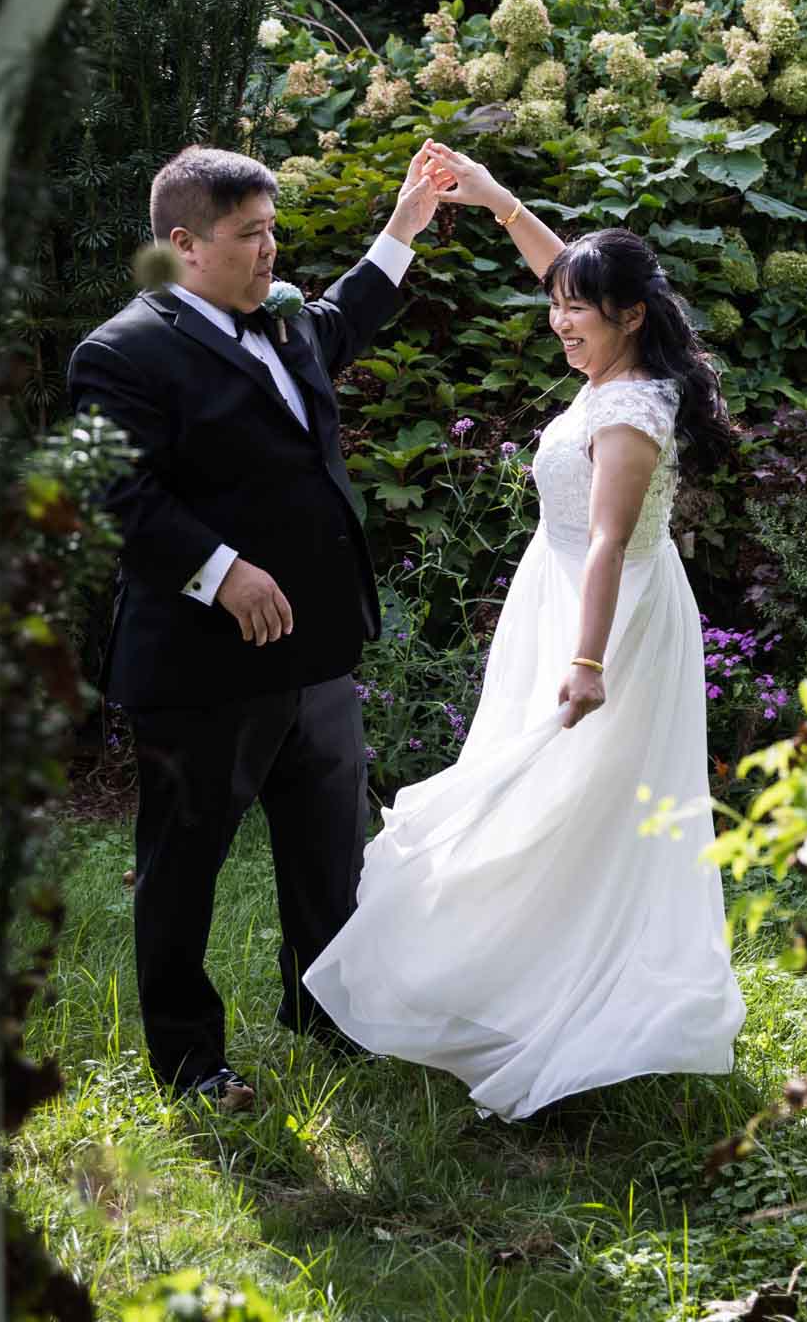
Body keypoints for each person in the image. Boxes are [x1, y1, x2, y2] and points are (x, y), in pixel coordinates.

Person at [304, 142, 747, 1121]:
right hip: (558, 597)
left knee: (571, 803)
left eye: (576, 308)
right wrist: (495, 197)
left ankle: (581, 1006)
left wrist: (586, 663)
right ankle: (520, 980)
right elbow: (556, 262)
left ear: (627, 314)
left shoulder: (629, 407)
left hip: (610, 618)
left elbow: (609, 542)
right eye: (557, 302)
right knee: (552, 798)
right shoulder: (610, 356)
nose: (558, 318)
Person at [68, 141, 442, 1111]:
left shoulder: (274, 323)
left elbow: (340, 320)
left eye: (273, 228)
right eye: (249, 235)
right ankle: (191, 1065)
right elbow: (113, 490)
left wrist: (402, 224)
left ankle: (329, 1015)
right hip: (199, 670)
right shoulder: (121, 352)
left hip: (312, 652)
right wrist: (219, 567)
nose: (270, 248)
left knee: (328, 849)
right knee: (182, 866)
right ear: (183, 243)